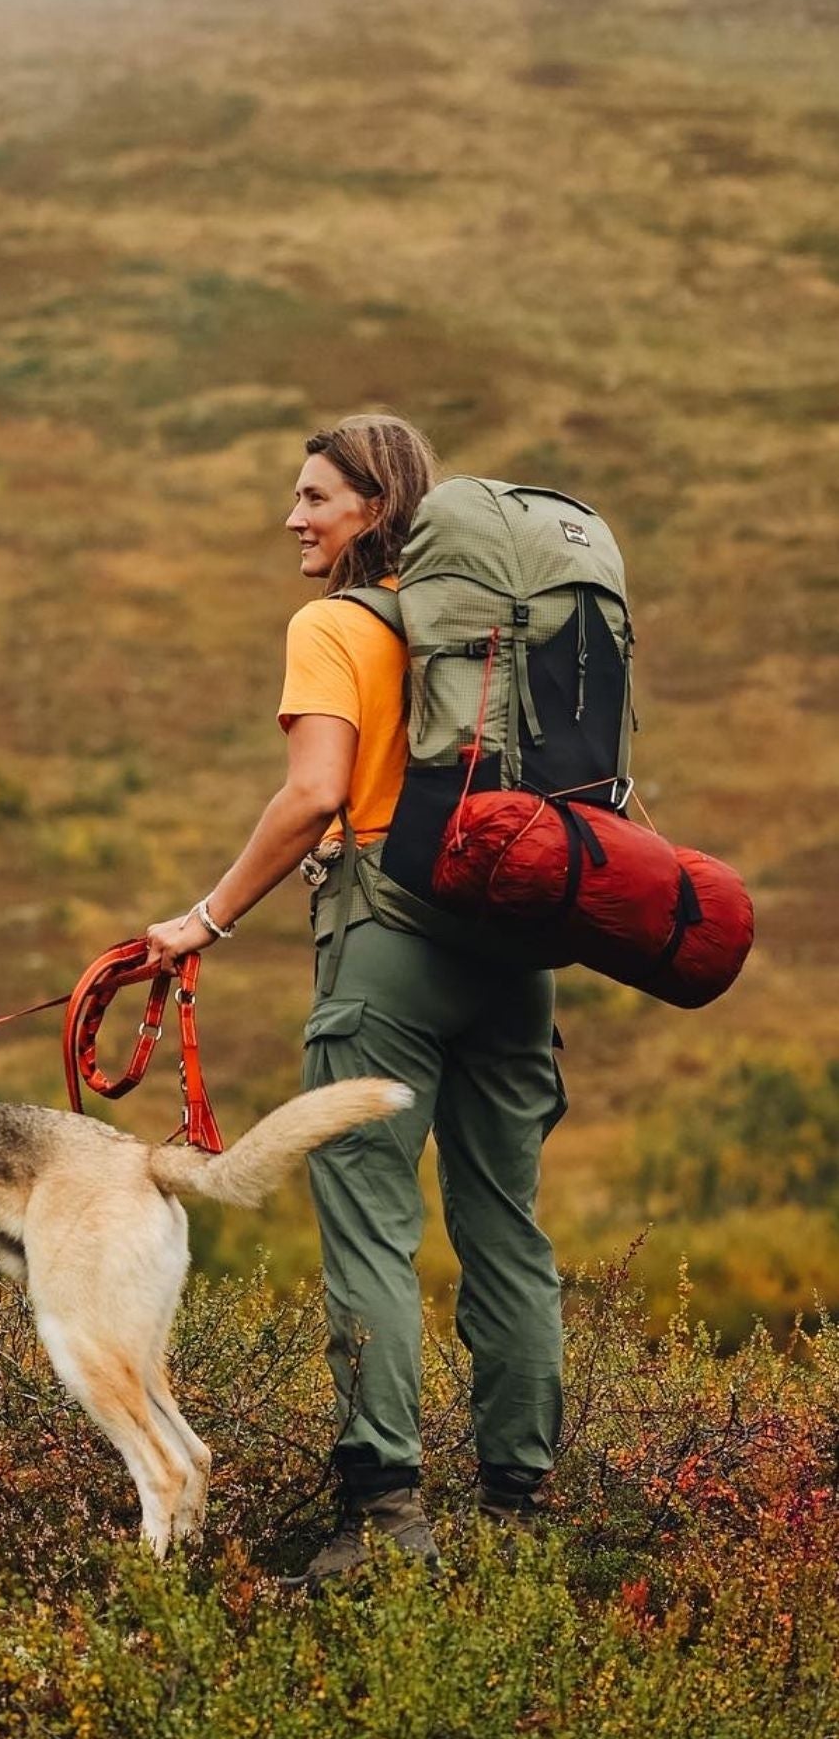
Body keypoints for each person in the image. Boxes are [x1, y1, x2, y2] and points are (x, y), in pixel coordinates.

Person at [143, 411, 566, 1581]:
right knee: (507, 1226)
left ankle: (384, 1516)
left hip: (389, 942)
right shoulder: (494, 634)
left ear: (375, 508)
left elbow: (314, 793)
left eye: (316, 497)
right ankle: (521, 1511)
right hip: (514, 948)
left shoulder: (332, 625)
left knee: (373, 1223)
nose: (295, 517)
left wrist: (205, 918)